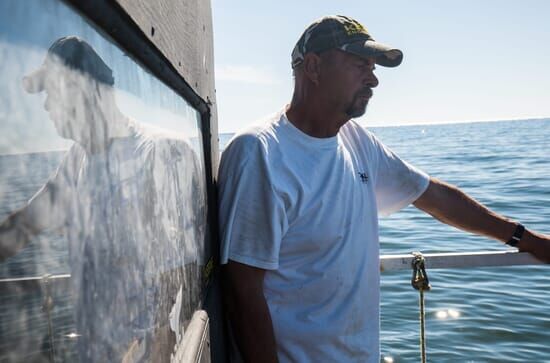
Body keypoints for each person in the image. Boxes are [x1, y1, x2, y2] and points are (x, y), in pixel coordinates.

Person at [217, 15, 550, 363]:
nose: (374, 80)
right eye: (360, 65)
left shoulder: (356, 141)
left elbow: (433, 196)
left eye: (374, 68)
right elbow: (243, 291)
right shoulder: (261, 152)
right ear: (313, 67)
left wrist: (528, 241)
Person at [0, 36, 205, 362]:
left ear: (82, 90)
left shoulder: (162, 152)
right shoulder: (77, 161)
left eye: (52, 92)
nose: (46, 106)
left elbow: (178, 290)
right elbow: (25, 224)